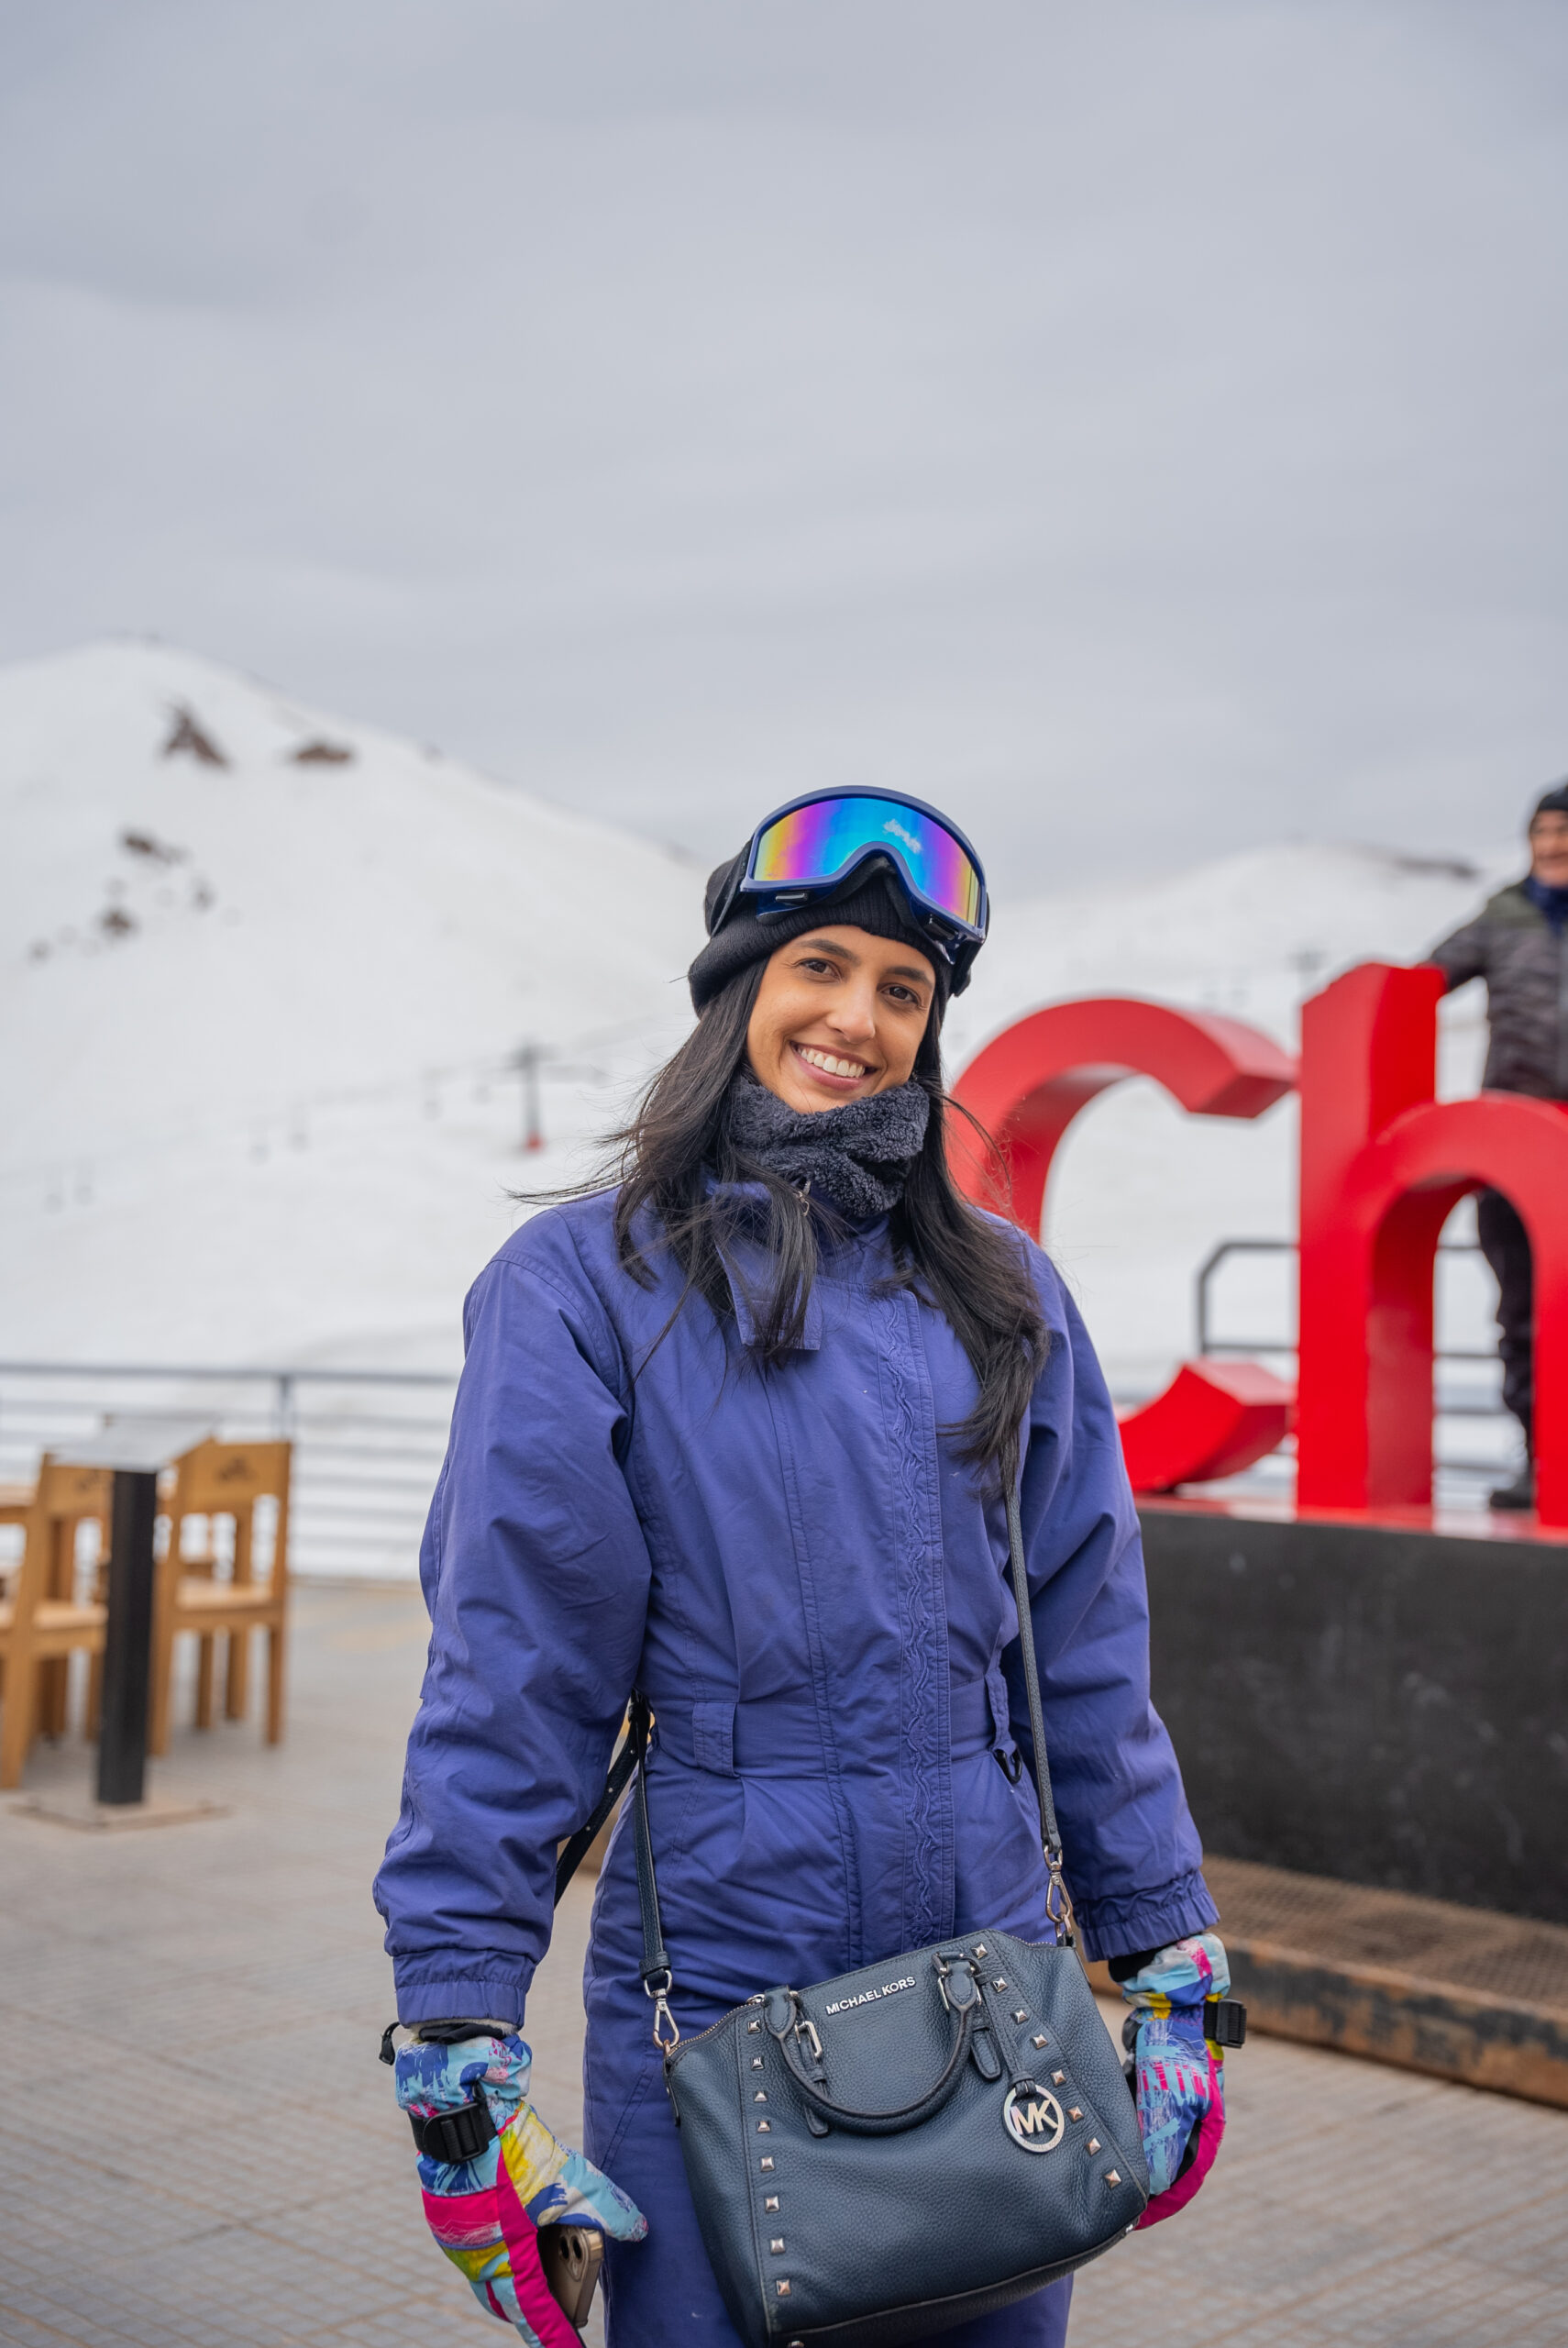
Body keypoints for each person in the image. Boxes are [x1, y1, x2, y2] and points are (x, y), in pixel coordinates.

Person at [374, 790, 1230, 2348]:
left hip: (992, 1970)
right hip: (714, 1973)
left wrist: (1168, 1948)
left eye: (903, 989)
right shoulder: (582, 1288)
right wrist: (454, 2030)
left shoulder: (1005, 1294)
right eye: (819, 968)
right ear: (737, 994)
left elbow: (1086, 1653)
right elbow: (515, 1676)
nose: (858, 1019)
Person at [1430, 782, 1568, 1512]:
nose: (1553, 845)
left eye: (1565, 831)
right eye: (1543, 831)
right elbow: (1418, 982)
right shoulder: (1502, 917)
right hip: (1516, 1147)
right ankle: (1542, 1456)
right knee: (1523, 1308)